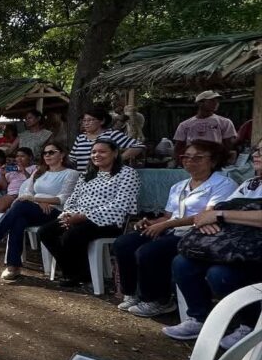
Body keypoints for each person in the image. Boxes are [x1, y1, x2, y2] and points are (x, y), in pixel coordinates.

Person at [114, 140, 237, 318]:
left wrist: (165, 225)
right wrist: (151, 222)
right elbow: (168, 216)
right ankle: (132, 292)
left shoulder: (223, 184)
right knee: (124, 243)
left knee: (149, 251)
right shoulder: (179, 186)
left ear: (214, 161)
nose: (190, 161)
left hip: (199, 233)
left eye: (198, 158)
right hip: (172, 229)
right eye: (186, 157)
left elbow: (206, 216)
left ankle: (159, 300)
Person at [164, 144, 262, 343]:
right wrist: (211, 219)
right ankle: (199, 319)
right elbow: (211, 213)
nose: (256, 155)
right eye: (257, 150)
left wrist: (220, 215)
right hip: (235, 245)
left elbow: (222, 212)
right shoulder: (250, 183)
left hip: (256, 251)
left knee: (220, 274)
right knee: (183, 263)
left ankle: (249, 325)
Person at [37, 139, 140, 288]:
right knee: (45, 232)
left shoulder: (127, 174)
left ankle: (77, 274)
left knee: (72, 235)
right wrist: (68, 214)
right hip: (78, 216)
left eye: (102, 151)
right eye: (93, 152)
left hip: (109, 220)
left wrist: (83, 217)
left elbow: (120, 205)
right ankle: (75, 272)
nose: (96, 155)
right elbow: (72, 199)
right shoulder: (87, 174)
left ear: (115, 153)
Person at [0, 145, 79, 280]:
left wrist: (37, 199)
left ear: (62, 155)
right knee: (18, 220)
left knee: (21, 205)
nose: (47, 155)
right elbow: (27, 191)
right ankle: (12, 266)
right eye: (45, 153)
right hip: (36, 208)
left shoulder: (71, 173)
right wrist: (39, 201)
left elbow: (63, 198)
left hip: (56, 212)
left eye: (51, 152)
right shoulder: (40, 171)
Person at [69, 106, 144, 171]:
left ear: (102, 121)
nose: (86, 123)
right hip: (84, 178)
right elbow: (72, 158)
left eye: (90, 120)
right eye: (84, 121)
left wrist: (119, 159)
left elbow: (139, 146)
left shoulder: (112, 134)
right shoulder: (80, 138)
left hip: (106, 179)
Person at [173, 91, 237, 158]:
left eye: (217, 101)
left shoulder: (225, 122)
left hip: (214, 159)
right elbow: (179, 146)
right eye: (212, 101)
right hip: (193, 159)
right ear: (200, 103)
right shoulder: (185, 125)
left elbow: (228, 145)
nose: (216, 103)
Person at [0, 146, 36, 215]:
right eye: (17, 156)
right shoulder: (13, 168)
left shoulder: (35, 168)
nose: (19, 159)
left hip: (23, 194)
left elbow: (35, 183)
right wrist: (2, 175)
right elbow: (4, 187)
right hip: (11, 194)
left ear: (30, 157)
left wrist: (24, 171)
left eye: (22, 156)